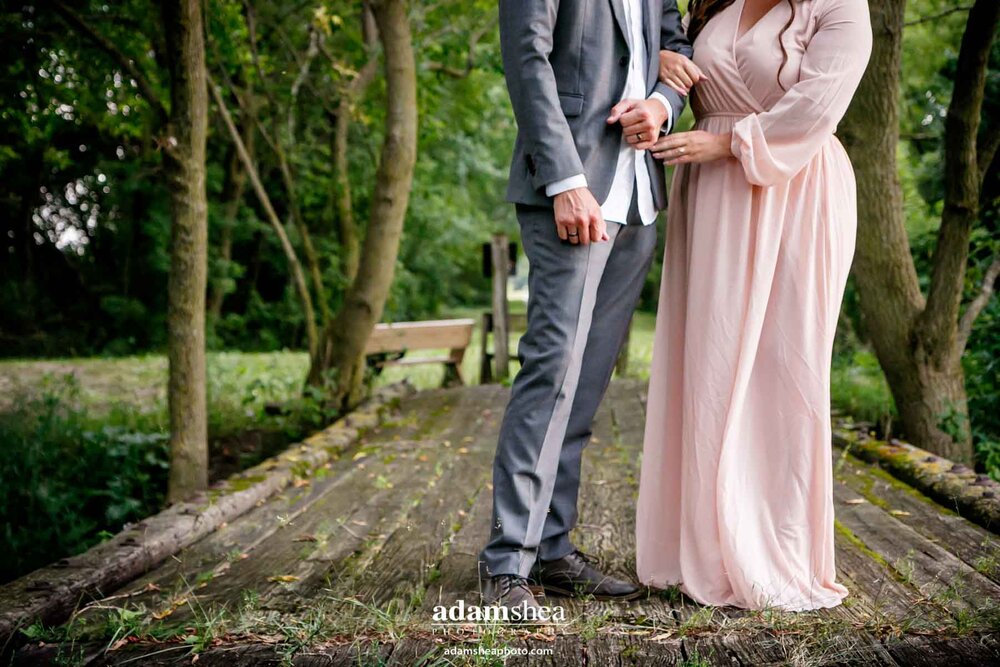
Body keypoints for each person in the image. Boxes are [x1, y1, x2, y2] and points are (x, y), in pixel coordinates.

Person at [636, 0, 872, 611]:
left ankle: (775, 552)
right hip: (711, 196)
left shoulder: (840, 5)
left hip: (794, 188)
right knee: (709, 365)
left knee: (783, 366)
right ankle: (707, 550)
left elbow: (821, 102)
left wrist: (729, 146)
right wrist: (662, 67)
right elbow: (680, 78)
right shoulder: (715, 3)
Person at [481, 0, 692, 609]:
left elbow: (677, 48)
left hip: (638, 196)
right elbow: (527, 59)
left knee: (587, 384)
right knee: (551, 375)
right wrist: (565, 180)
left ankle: (549, 549)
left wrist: (661, 106)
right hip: (571, 191)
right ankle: (504, 567)